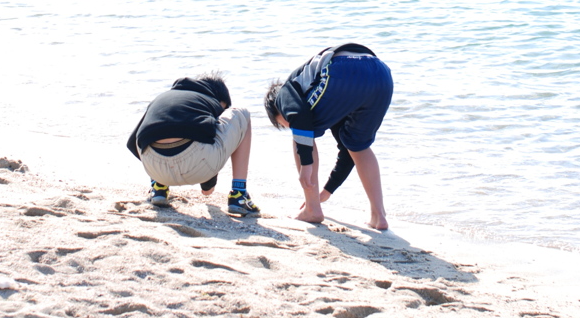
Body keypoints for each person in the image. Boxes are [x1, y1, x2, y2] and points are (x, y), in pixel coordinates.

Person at [264, 42, 393, 229]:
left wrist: (306, 166)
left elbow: (299, 120)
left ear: (278, 107)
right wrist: (327, 191)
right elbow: (348, 152)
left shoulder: (285, 92)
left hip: (342, 68)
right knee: (358, 144)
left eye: (285, 121)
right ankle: (378, 216)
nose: (289, 123)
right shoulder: (331, 106)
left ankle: (312, 209)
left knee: (301, 134)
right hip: (381, 74)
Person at [127, 72, 260, 215]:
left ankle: (158, 187)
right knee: (242, 114)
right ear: (221, 100)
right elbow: (208, 137)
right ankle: (239, 195)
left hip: (153, 168)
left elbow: (132, 143)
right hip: (197, 164)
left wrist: (157, 173)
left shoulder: (161, 99)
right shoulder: (210, 101)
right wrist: (208, 185)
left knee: (158, 134)